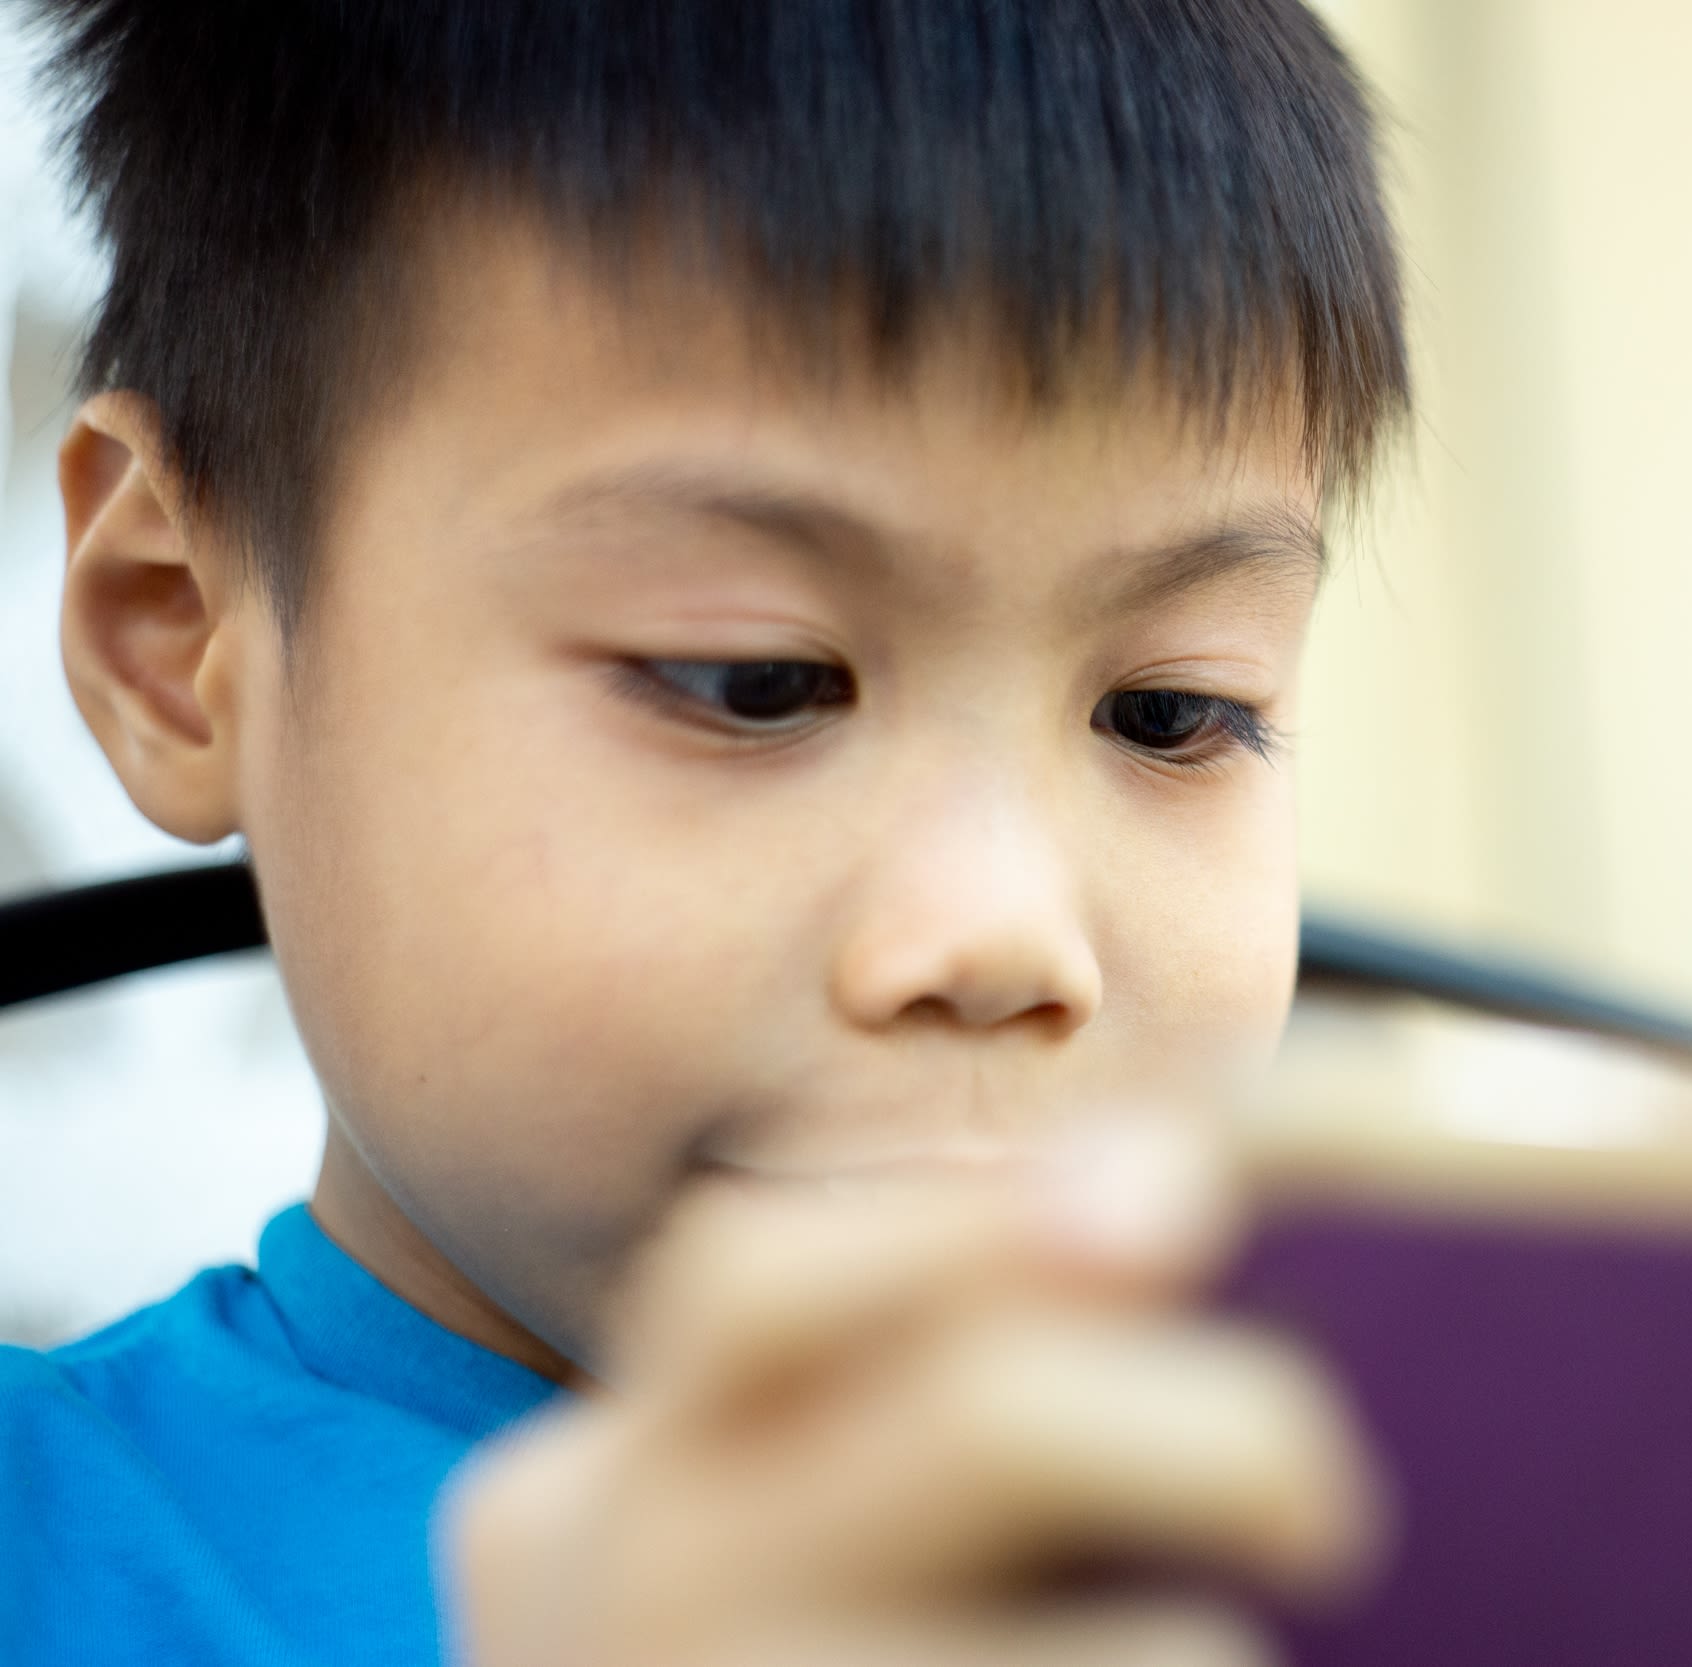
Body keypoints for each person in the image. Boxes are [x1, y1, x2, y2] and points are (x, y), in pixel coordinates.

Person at [2, 2, 1400, 1662]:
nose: (1008, 934)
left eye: (1171, 714)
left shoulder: (1414, 1527)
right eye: (754, 682)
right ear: (180, 638)